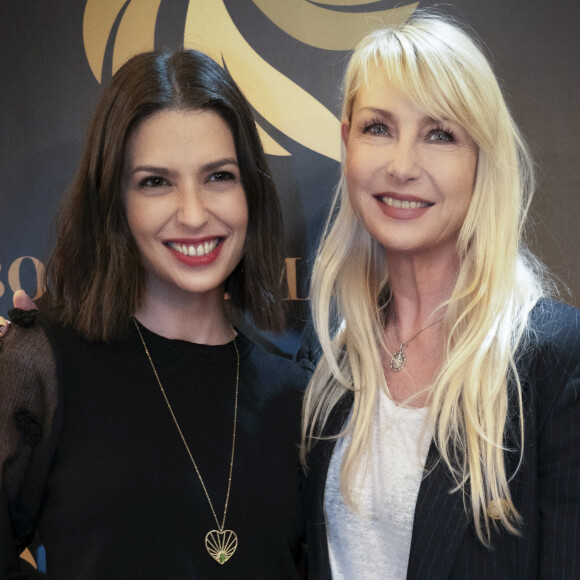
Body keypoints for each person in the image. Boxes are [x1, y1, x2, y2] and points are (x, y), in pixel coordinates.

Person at [0, 49, 309, 578]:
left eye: (219, 176)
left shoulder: (297, 397)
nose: (193, 213)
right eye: (155, 182)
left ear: (250, 191)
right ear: (114, 201)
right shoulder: (43, 363)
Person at [299, 13, 580, 580]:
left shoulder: (555, 360)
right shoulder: (327, 357)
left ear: (482, 160)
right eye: (378, 127)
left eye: (440, 135)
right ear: (346, 140)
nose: (402, 166)